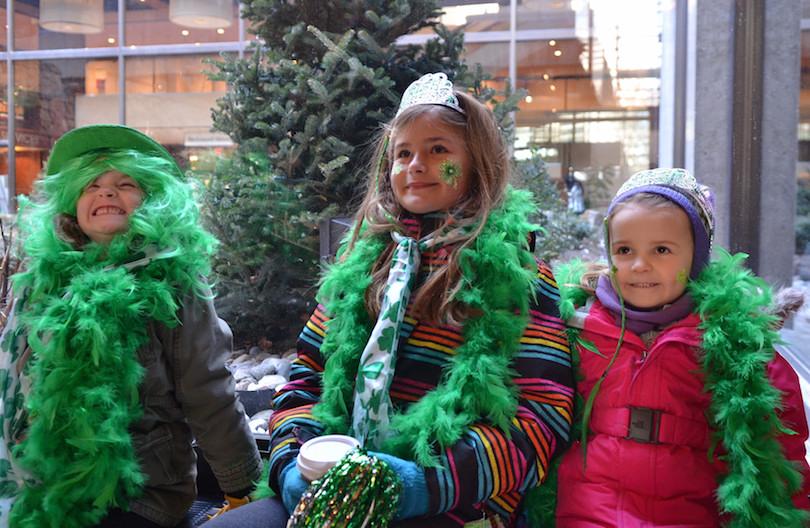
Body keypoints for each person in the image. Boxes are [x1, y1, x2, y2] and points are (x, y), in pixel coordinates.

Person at [205, 72, 575, 527]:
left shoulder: (519, 275)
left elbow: (543, 418)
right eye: (403, 153)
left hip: (453, 502)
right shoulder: (361, 267)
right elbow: (306, 381)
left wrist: (419, 485)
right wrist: (291, 467)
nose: (416, 165)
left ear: (477, 164)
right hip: (336, 488)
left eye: (438, 150)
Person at [0, 125, 262, 528]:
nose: (106, 193)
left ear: (153, 199)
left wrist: (242, 486)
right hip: (48, 484)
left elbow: (209, 391)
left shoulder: (173, 282)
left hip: (140, 493)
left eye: (125, 184)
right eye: (91, 185)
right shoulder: (44, 281)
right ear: (72, 202)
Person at [545, 168, 810, 527]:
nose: (640, 265)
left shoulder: (732, 345)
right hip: (588, 512)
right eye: (624, 250)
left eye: (662, 250)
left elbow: (777, 456)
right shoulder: (577, 326)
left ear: (696, 257)